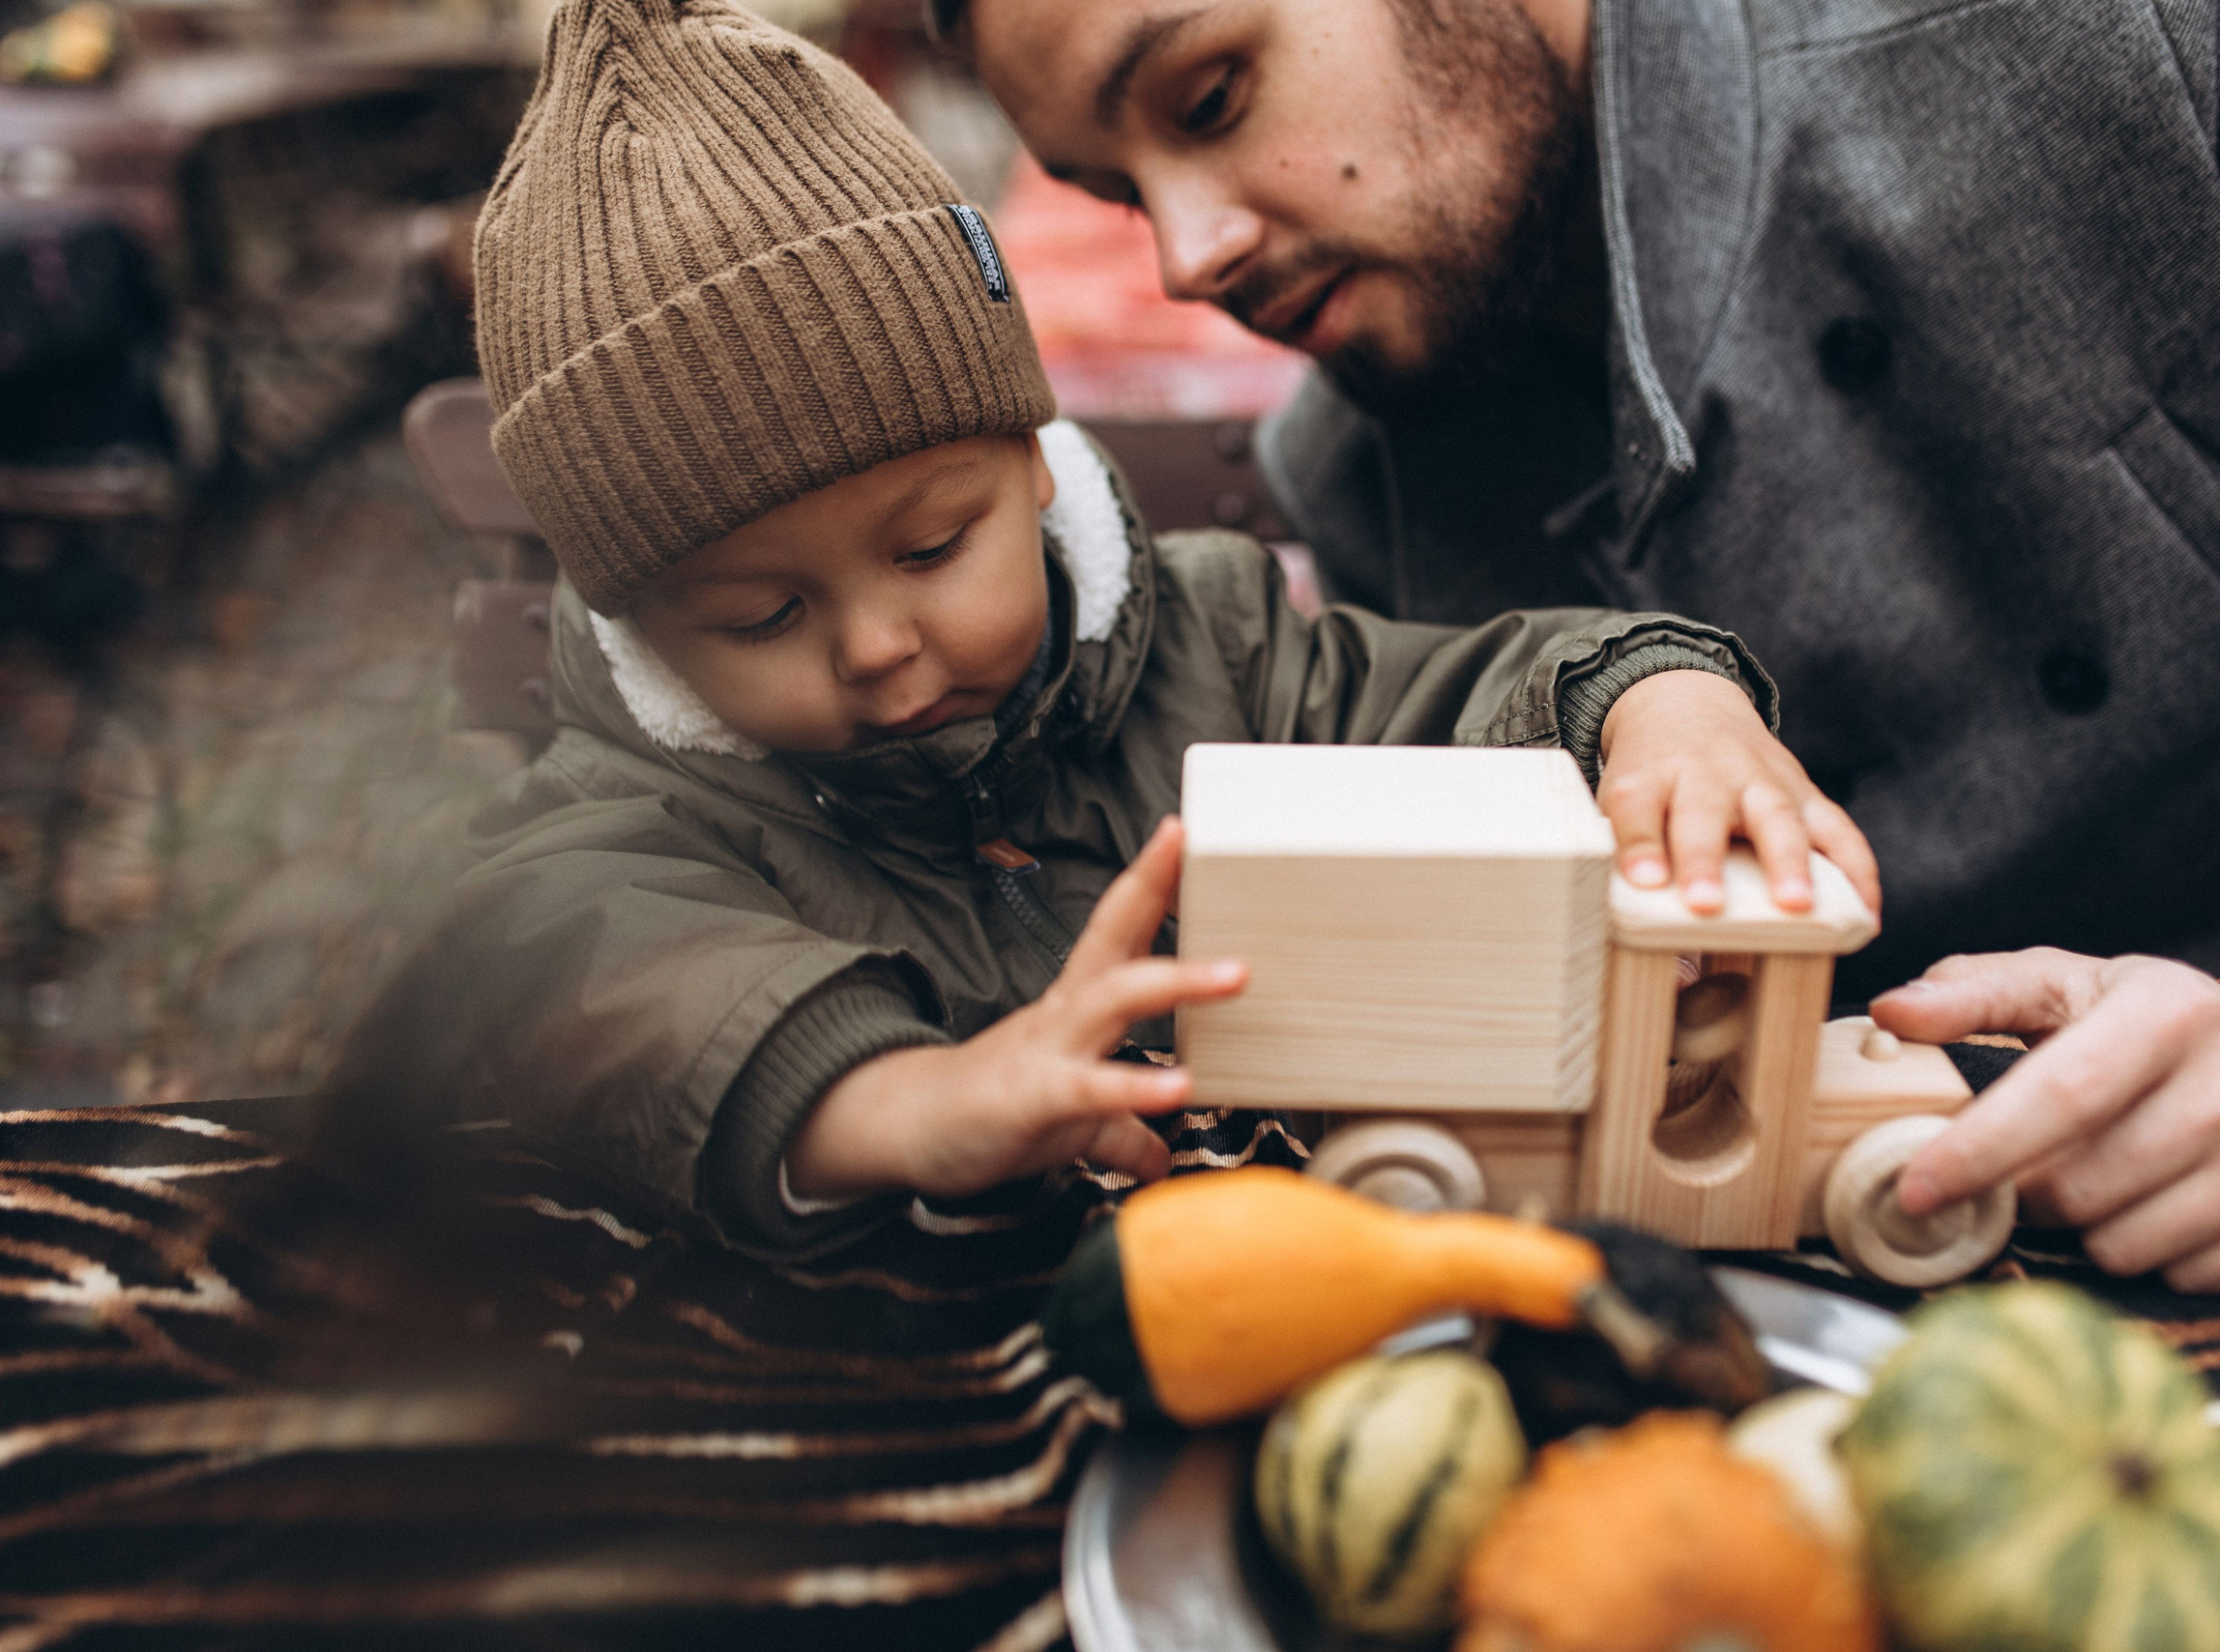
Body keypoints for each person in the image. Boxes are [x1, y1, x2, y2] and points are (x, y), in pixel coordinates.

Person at [945, 0, 2220, 1291]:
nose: (1188, 259)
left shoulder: (2175, 32)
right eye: (1120, 195)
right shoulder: (1357, 474)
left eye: (1210, 95)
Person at [327, 0, 1869, 1256]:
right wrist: (906, 1101)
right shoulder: (653, 808)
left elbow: (1459, 687)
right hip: (906, 1398)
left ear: (1030, 464)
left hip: (1276, 1302)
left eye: (933, 545)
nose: (873, 648)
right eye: (759, 613)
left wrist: (1651, 699)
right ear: (649, 625)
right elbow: (566, 969)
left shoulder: (1215, 650)